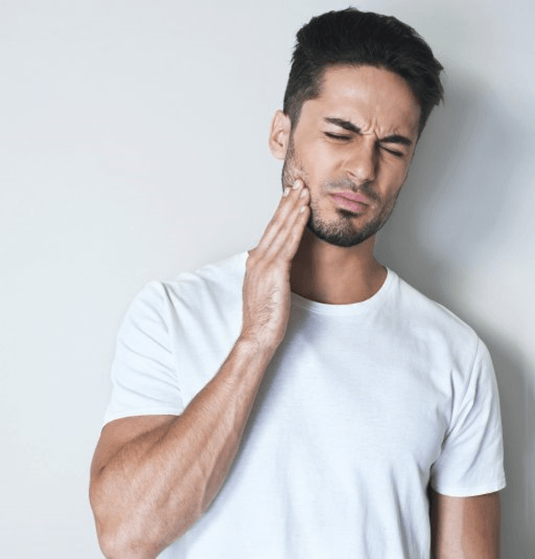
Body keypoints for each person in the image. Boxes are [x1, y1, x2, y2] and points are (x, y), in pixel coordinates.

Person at [90, 8, 506, 559]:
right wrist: (255, 341)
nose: (363, 168)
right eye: (341, 132)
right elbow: (124, 536)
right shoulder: (172, 313)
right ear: (281, 134)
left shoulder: (455, 354)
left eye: (394, 147)